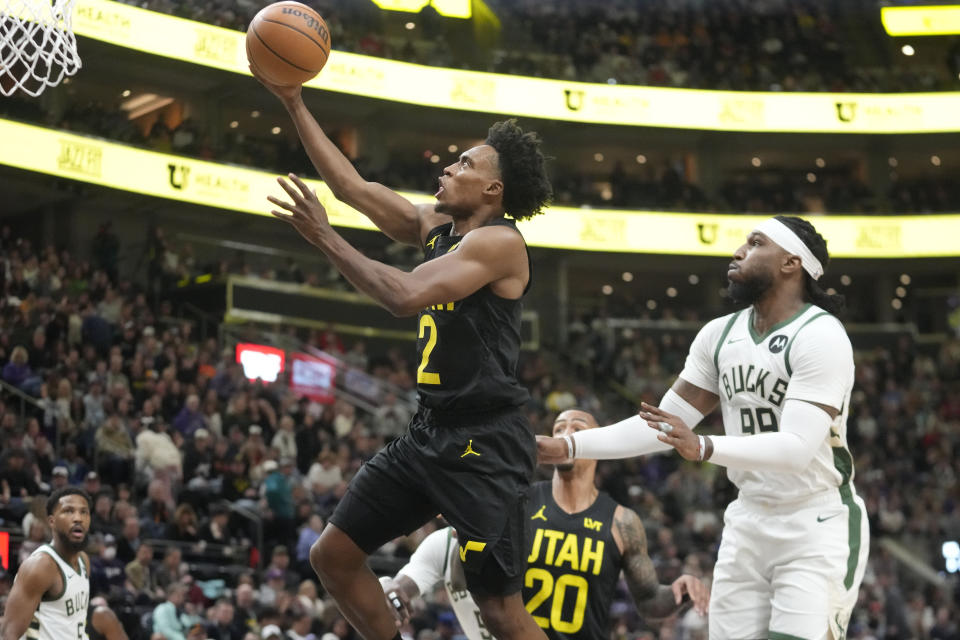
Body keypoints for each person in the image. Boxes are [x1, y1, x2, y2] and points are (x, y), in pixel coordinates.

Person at [253, 66, 552, 640]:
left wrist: (324, 236)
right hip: (429, 431)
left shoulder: (499, 242)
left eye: (465, 163)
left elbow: (404, 295)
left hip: (485, 446)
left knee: (499, 612)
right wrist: (293, 102)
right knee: (333, 556)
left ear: (494, 190)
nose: (447, 166)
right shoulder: (440, 224)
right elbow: (352, 189)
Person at [538, 216, 870, 640]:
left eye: (754, 244)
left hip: (815, 520)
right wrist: (564, 447)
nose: (738, 252)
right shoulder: (720, 334)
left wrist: (705, 447)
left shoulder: (821, 335)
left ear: (791, 263)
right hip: (748, 518)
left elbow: (795, 450)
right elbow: (659, 427)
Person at [380, 409, 709, 640]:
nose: (565, 434)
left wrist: (678, 594)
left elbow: (650, 600)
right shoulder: (514, 503)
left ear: (601, 444)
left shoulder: (622, 522)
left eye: (577, 429)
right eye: (559, 429)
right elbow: (451, 548)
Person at [0, 487, 92, 640]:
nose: (78, 518)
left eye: (84, 512)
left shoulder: (84, 560)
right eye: (69, 511)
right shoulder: (41, 566)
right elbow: (8, 634)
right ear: (51, 521)